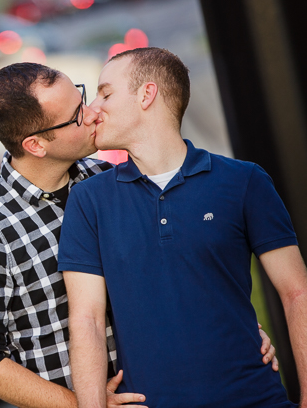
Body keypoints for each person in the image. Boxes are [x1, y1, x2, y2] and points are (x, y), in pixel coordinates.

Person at [0, 62, 278, 408]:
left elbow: (176, 268)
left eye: (83, 98)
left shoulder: (106, 177)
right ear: (36, 145)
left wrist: (238, 328)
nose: (92, 115)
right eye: (76, 116)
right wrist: (82, 404)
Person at [58, 47, 307, 408]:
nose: (93, 108)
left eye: (106, 93)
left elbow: (297, 292)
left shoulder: (243, 181)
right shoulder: (88, 200)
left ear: (147, 94)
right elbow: (87, 321)